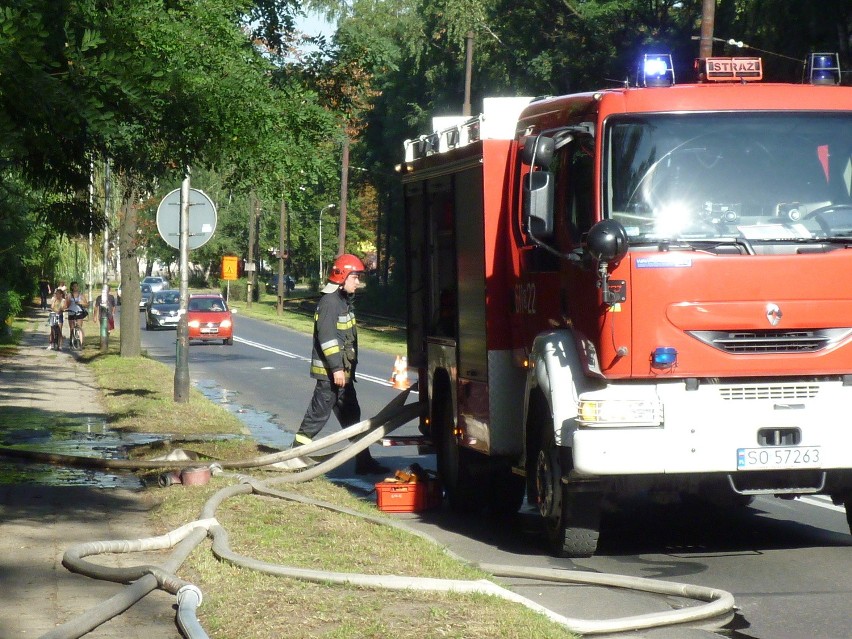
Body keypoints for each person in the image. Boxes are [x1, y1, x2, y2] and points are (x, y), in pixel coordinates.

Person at [291, 254, 389, 475]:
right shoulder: (329, 303)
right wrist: (336, 369)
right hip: (331, 376)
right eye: (355, 277)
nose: (358, 282)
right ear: (342, 276)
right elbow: (327, 339)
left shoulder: (342, 302)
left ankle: (364, 462)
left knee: (353, 420)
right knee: (315, 419)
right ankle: (292, 458)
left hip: (342, 375)